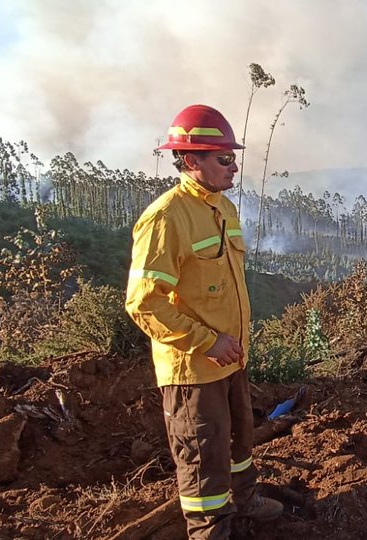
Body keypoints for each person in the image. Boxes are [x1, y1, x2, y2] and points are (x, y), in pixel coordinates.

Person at [126, 104, 283, 539]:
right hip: (193, 369)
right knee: (202, 461)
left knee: (238, 444)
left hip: (230, 360)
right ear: (191, 161)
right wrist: (206, 342)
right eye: (224, 158)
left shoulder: (224, 209)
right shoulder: (165, 218)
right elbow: (144, 303)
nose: (234, 167)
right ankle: (210, 530)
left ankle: (245, 501)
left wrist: (228, 347)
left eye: (234, 157)